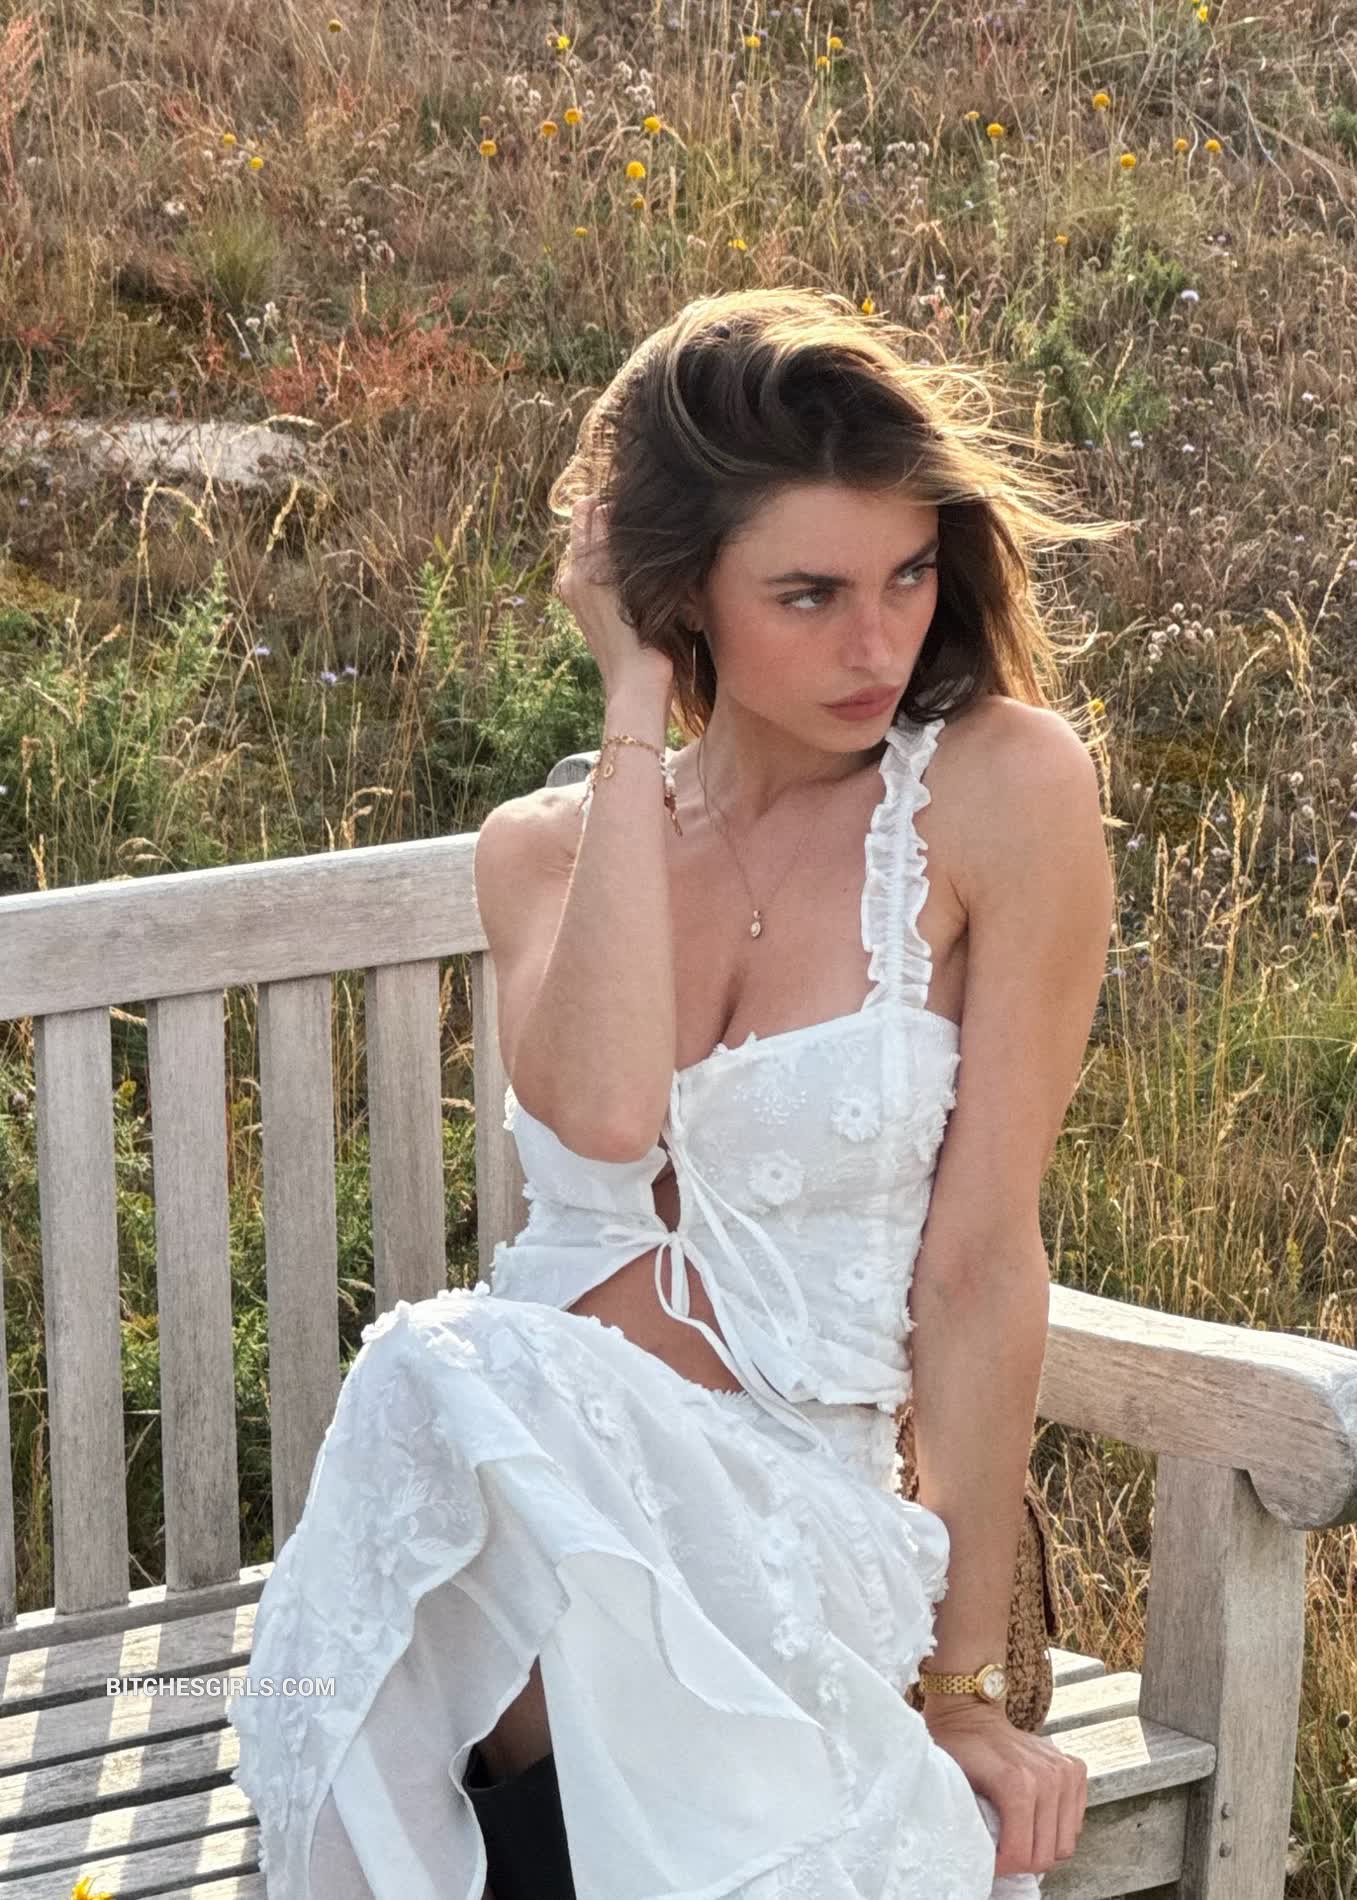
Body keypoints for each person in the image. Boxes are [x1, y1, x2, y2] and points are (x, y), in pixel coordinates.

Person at [229, 286, 1120, 1898]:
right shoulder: (545, 852)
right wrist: (633, 708)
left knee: (440, 1373)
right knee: (446, 1389)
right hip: (523, 1549)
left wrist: (966, 1688)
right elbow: (603, 1116)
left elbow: (980, 1263)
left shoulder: (1002, 791)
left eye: (908, 574)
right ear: (675, 592)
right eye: (807, 594)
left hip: (787, 1534)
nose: (876, 644)